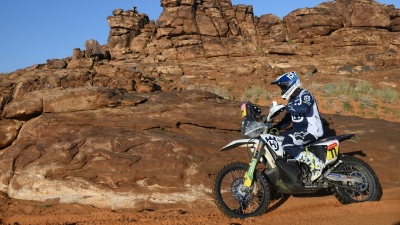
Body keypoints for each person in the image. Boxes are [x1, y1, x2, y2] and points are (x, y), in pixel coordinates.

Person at [270, 71, 324, 181]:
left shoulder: (305, 94)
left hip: (311, 130)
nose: (282, 89)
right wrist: (274, 128)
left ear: (291, 84)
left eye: (283, 86)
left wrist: (286, 108)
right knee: (278, 138)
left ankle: (316, 165)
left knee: (287, 143)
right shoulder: (291, 100)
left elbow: (305, 108)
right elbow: (287, 121)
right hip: (299, 131)